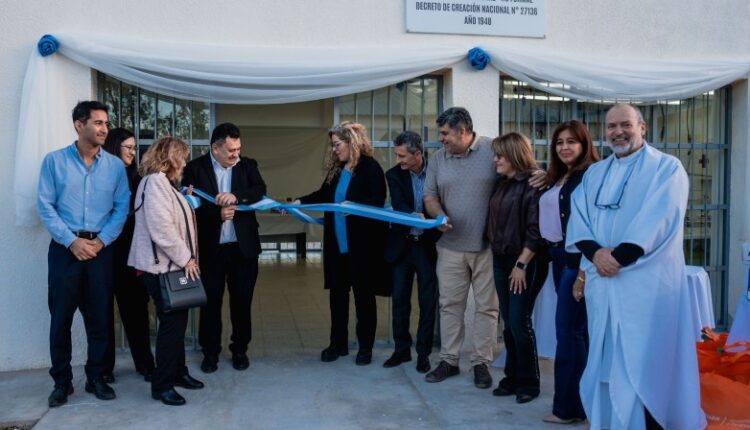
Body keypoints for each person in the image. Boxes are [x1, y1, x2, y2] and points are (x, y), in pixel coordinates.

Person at [566, 104, 706, 430]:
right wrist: (597, 254)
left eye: (625, 125)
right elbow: (579, 219)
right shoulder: (595, 173)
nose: (618, 132)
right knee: (606, 360)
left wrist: (617, 258)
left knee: (645, 361)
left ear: (642, 127)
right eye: (611, 126)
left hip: (646, 287)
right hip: (604, 285)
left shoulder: (666, 168)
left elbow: (659, 218)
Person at [38, 101, 129, 407]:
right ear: (79, 125)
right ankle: (61, 383)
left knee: (100, 318)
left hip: (101, 251)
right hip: (65, 251)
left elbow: (121, 209)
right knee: (60, 319)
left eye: (106, 123)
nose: (105, 129)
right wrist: (71, 242)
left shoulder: (115, 167)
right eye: (98, 123)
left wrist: (101, 242)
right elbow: (45, 206)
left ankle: (97, 378)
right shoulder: (54, 161)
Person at [296, 121, 389, 365]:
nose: (334, 149)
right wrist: (297, 202)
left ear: (352, 142)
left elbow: (377, 201)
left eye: (337, 144)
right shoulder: (337, 169)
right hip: (337, 246)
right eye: (333, 145)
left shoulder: (370, 168)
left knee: (363, 298)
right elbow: (322, 195)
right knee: (337, 297)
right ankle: (337, 345)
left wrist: (356, 207)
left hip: (362, 247)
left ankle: (365, 348)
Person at [422, 107, 498, 389]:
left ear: (463, 131)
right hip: (450, 248)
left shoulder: (493, 149)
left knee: (487, 308)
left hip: (487, 247)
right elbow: (429, 196)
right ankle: (449, 360)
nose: (440, 139)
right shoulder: (438, 159)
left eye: (445, 133)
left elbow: (521, 171)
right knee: (450, 306)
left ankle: (481, 363)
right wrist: (439, 215)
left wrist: (538, 175)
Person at [182, 123, 267, 373]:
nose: (236, 155)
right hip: (211, 250)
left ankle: (240, 350)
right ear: (215, 148)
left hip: (243, 250)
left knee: (242, 303)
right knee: (210, 304)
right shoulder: (195, 169)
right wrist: (216, 214)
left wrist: (236, 196)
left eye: (238, 149)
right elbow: (187, 207)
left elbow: (260, 190)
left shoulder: (247, 165)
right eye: (231, 150)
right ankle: (210, 353)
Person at [128, 136, 205, 406]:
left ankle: (178, 373)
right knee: (171, 326)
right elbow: (162, 228)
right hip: (163, 267)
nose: (184, 163)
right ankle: (162, 385)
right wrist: (187, 259)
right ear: (171, 158)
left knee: (176, 323)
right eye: (182, 158)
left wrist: (185, 198)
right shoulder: (155, 183)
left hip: (167, 266)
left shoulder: (165, 184)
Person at [539, 121, 600, 422]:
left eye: (571, 142)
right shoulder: (559, 175)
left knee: (569, 333)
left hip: (576, 261)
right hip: (558, 257)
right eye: (560, 142)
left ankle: (567, 409)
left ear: (584, 144)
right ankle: (582, 405)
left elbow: (591, 225)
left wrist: (582, 272)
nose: (564, 147)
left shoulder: (591, 176)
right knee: (575, 332)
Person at [487, 132, 548, 403]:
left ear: (513, 155)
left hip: (525, 262)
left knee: (519, 322)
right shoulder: (502, 183)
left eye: (499, 155)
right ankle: (511, 378)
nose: (495, 160)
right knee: (509, 323)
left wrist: (522, 264)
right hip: (501, 260)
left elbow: (536, 230)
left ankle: (529, 383)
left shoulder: (533, 183)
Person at [101, 128, 155, 383]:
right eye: (129, 147)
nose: (134, 152)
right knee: (102, 314)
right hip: (103, 254)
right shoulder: (100, 177)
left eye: (135, 147)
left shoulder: (138, 177)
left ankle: (145, 364)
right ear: (114, 147)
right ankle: (104, 368)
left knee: (136, 313)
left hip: (132, 255)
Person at [383, 131, 440, 373]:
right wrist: (412, 215)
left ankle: (423, 354)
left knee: (427, 302)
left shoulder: (436, 171)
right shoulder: (393, 174)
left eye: (402, 156)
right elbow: (398, 203)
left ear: (418, 154)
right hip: (402, 245)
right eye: (396, 155)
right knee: (400, 301)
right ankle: (401, 350)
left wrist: (427, 217)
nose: (398, 160)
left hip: (427, 246)